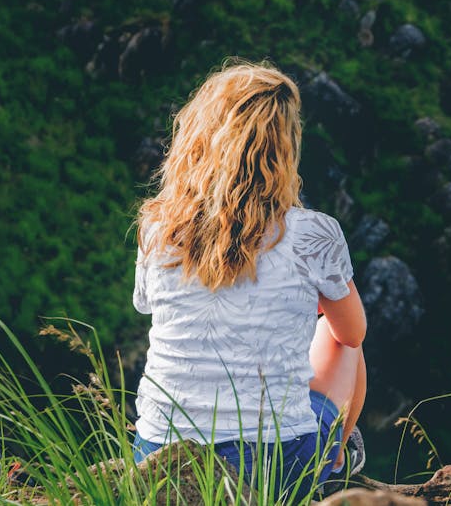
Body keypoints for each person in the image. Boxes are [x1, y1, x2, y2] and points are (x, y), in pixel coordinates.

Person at [131, 61, 367, 501]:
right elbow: (352, 332)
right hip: (273, 466)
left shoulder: (157, 227)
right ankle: (336, 461)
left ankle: (330, 459)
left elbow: (149, 305)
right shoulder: (312, 233)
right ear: (284, 148)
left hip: (156, 449)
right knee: (342, 342)